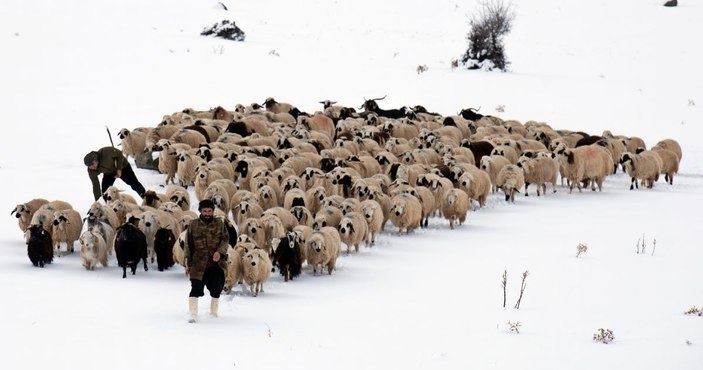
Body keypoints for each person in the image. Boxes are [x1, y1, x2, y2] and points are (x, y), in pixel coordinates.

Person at [183, 199, 229, 323]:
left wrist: (220, 252)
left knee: (216, 288)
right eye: (205, 211)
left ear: (213, 211)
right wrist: (188, 263)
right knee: (195, 288)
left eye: (209, 211)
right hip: (198, 263)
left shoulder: (220, 223)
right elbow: (188, 244)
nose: (207, 213)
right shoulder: (193, 224)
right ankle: (193, 314)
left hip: (215, 264)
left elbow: (225, 240)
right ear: (200, 211)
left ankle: (213, 313)